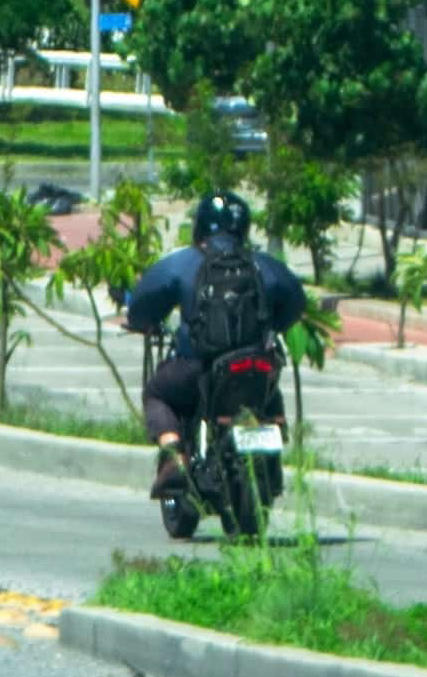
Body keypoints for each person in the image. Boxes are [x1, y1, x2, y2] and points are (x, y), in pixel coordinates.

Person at [117, 191, 315, 470]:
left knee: (157, 393)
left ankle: (173, 452)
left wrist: (143, 323)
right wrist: (273, 326)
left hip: (197, 368)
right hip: (254, 366)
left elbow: (142, 303)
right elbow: (296, 302)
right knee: (268, 387)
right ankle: (275, 425)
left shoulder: (184, 262)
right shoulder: (265, 265)